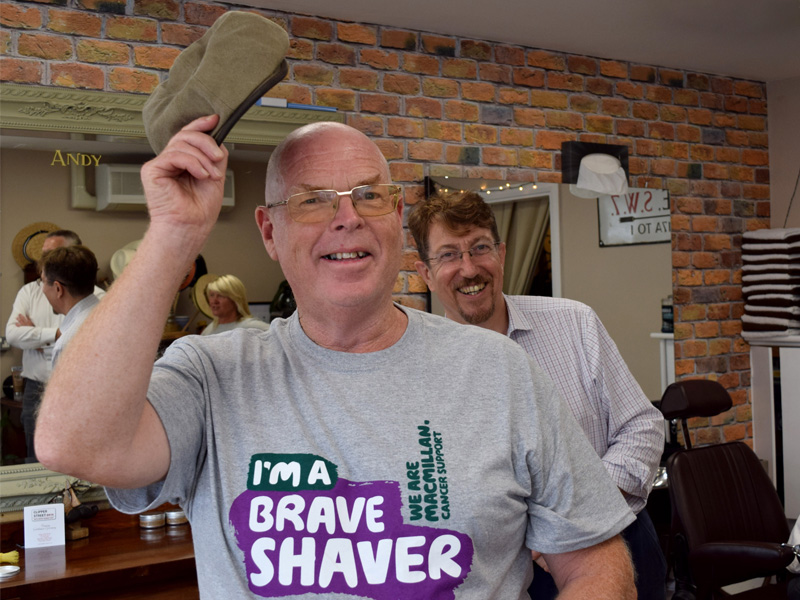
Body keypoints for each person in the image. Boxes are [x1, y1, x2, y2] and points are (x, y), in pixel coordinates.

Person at [36, 117, 637, 599]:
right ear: (268, 233)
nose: (347, 217)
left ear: (398, 221)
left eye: (368, 196)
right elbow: (75, 444)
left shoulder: (500, 370)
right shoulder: (210, 374)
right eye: (313, 200)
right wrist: (171, 234)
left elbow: (593, 562)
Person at [408, 190, 667, 599]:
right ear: (424, 272)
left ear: (503, 252)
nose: (469, 268)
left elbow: (642, 426)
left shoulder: (574, 324)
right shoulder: (417, 370)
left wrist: (571, 523)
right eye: (449, 255)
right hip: (506, 573)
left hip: (618, 546)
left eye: (480, 248)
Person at [5, 229, 104, 462]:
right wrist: (55, 335)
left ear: (58, 288)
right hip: (37, 387)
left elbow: (70, 413)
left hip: (79, 419)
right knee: (36, 456)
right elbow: (13, 334)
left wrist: (43, 340)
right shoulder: (32, 293)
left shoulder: (94, 312)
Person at [38, 245, 102, 367]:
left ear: (58, 289)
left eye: (43, 281)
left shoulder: (67, 344)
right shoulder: (114, 317)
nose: (43, 289)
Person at [200, 274, 270, 335]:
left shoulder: (251, 327)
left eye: (221, 296)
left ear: (235, 299)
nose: (214, 301)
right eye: (212, 295)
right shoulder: (208, 331)